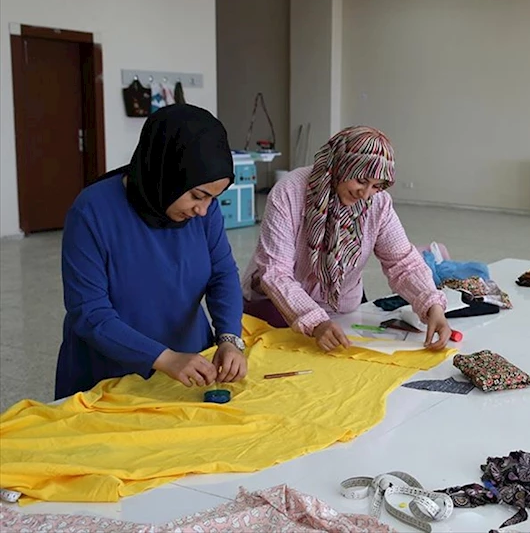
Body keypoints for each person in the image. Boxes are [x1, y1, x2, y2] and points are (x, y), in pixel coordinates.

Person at [56, 104, 248, 399]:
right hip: (109, 374)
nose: (203, 209)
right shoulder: (92, 212)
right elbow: (89, 312)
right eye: (197, 196)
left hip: (189, 369)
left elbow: (222, 273)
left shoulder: (203, 211)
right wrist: (164, 358)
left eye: (213, 198)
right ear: (167, 172)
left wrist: (229, 338)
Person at [242, 125, 451, 351]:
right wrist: (315, 321)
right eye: (360, 180)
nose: (365, 193)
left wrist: (432, 305)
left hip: (341, 308)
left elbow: (402, 262)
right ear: (340, 165)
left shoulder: (377, 202)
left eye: (377, 186)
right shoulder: (290, 191)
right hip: (278, 306)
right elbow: (276, 272)